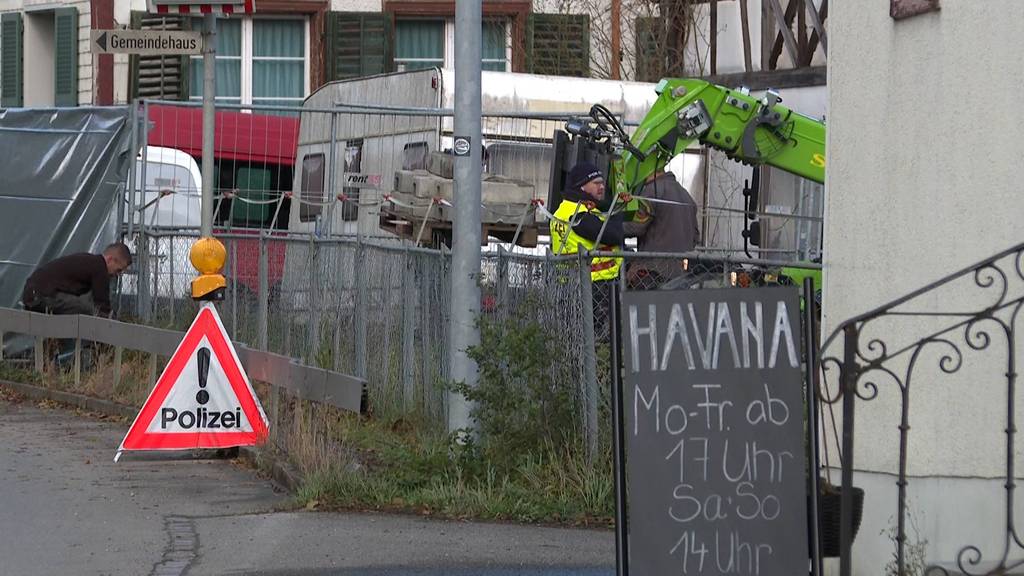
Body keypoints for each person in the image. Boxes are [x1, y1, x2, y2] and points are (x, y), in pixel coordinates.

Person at [550, 162, 624, 337]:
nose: (602, 187)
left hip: (571, 284)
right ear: (582, 186)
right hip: (593, 286)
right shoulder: (579, 214)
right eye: (596, 183)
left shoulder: (564, 210)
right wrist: (618, 212)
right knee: (595, 340)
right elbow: (614, 235)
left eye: (602, 182)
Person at [624, 168, 701, 289]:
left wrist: (608, 226)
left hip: (652, 272)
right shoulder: (687, 196)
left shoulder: (652, 191)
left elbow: (635, 227)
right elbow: (695, 236)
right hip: (679, 275)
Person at [22, 242, 132, 317]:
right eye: (118, 270)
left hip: (34, 293)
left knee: (84, 306)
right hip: (42, 295)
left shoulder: (89, 262)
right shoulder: (100, 267)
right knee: (87, 311)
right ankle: (82, 349)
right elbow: (102, 305)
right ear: (110, 260)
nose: (117, 275)